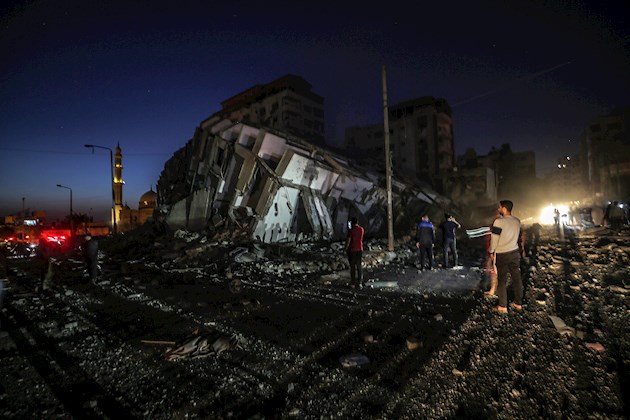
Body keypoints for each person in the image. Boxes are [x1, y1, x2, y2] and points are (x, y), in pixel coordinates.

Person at [490, 200, 523, 314]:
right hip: (514, 252)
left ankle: (503, 306)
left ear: (504, 208)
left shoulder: (498, 222)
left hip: (502, 253)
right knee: (517, 278)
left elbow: (494, 239)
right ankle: (518, 303)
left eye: (499, 207)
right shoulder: (517, 221)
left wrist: (491, 251)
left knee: (502, 280)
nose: (498, 209)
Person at [345, 217, 364, 288]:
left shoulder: (351, 231)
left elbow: (348, 241)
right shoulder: (361, 229)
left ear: (352, 223)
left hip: (352, 250)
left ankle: (352, 283)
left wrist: (345, 249)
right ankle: (359, 283)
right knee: (359, 266)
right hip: (360, 249)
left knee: (352, 267)